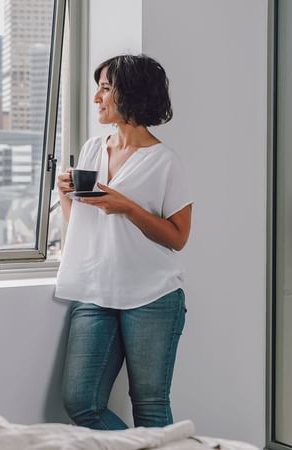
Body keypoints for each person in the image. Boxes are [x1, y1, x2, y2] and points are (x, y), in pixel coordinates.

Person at [55, 54, 193, 430]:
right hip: (95, 292)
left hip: (152, 296)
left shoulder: (165, 161)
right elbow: (82, 225)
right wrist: (65, 193)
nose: (97, 98)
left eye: (105, 89)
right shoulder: (92, 149)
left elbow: (178, 237)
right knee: (81, 401)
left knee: (149, 405)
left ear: (130, 93)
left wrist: (127, 207)